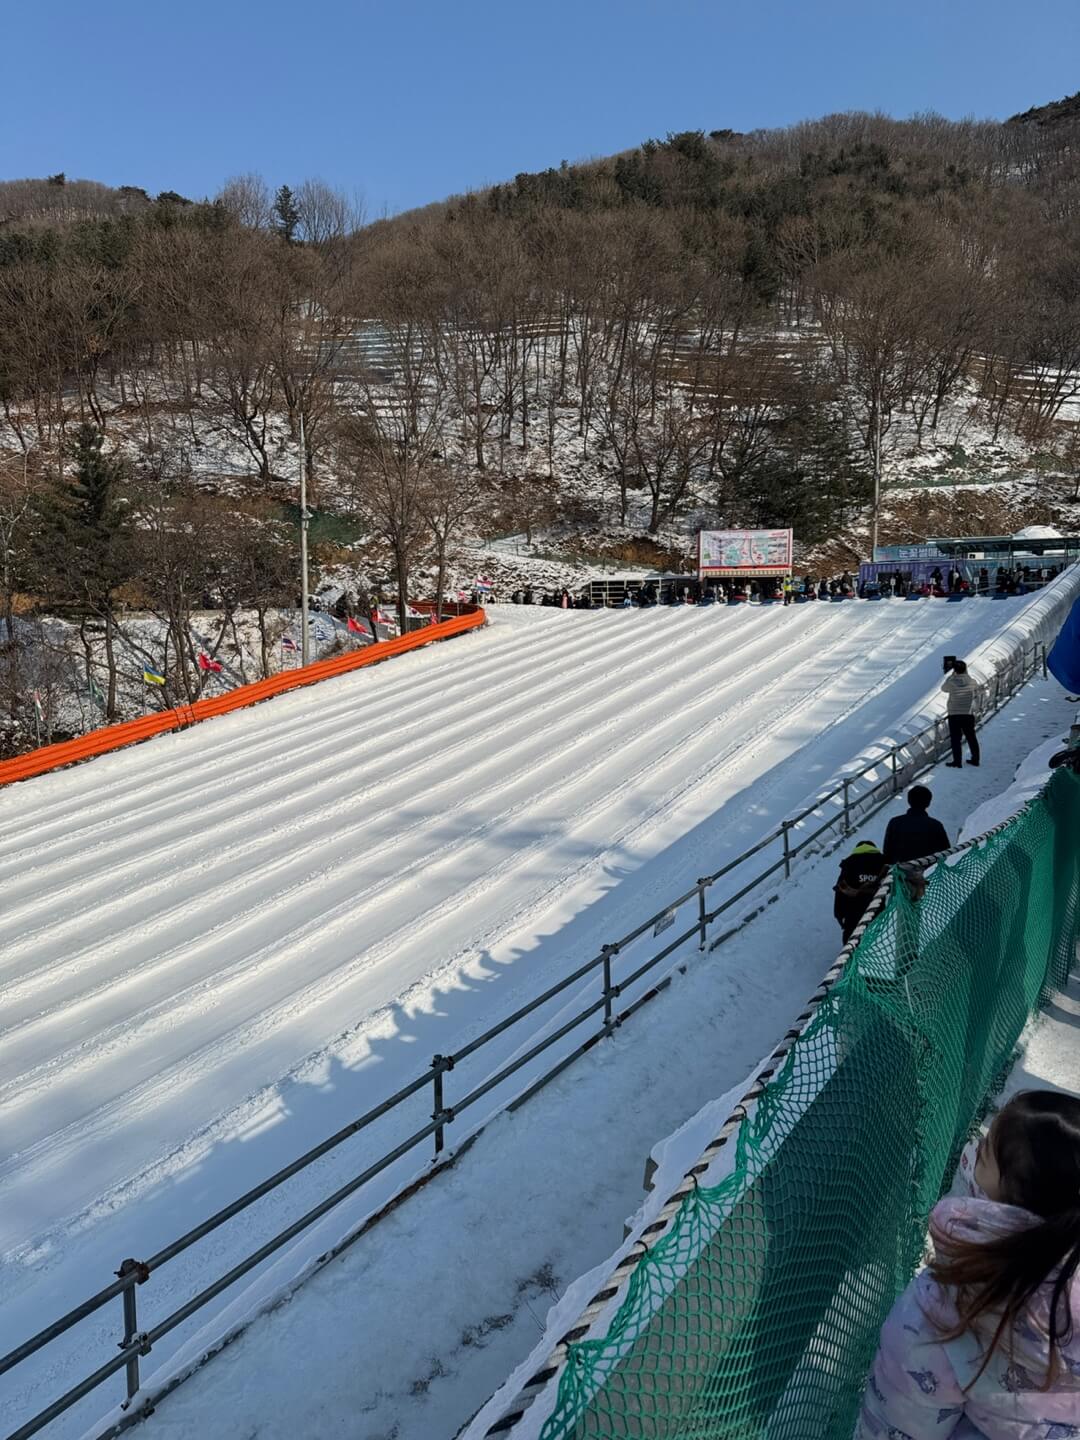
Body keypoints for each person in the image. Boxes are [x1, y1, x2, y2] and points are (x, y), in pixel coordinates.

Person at [857, 1089, 1080, 1440]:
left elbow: (904, 1410)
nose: (975, 1149)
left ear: (1013, 1194)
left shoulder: (953, 1299)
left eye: (986, 1152)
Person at [833, 840, 888, 942]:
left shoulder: (849, 864)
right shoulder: (884, 862)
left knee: (852, 944)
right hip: (879, 911)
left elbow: (841, 890)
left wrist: (839, 915)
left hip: (853, 914)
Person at [883, 785, 950, 864]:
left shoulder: (895, 822)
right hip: (927, 869)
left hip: (900, 869)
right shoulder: (936, 825)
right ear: (928, 803)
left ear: (909, 801)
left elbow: (887, 852)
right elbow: (945, 853)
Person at [942, 659, 980, 767]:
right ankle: (975, 759)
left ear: (955, 670)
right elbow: (976, 688)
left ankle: (957, 761)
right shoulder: (972, 682)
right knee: (971, 737)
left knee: (955, 739)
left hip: (954, 714)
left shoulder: (951, 682)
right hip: (968, 713)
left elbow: (943, 688)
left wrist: (951, 676)